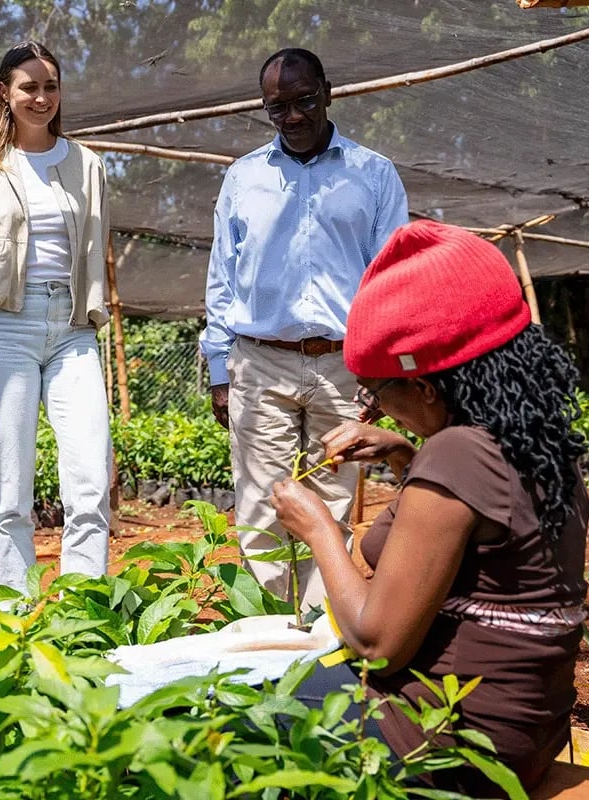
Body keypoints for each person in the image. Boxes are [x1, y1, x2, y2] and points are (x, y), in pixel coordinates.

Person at [270, 219, 589, 793]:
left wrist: (317, 527)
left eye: (375, 394)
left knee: (245, 700)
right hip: (524, 729)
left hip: (446, 745)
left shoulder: (457, 455)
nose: (372, 411)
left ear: (424, 389)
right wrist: (404, 455)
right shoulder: (532, 439)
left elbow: (377, 648)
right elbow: (485, 538)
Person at [200, 47, 409, 608]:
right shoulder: (243, 178)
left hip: (345, 364)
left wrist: (384, 370)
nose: (292, 117)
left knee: (332, 505)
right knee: (262, 506)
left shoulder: (373, 174)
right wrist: (221, 369)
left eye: (303, 101)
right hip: (259, 361)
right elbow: (223, 277)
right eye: (277, 107)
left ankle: (321, 638)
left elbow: (391, 278)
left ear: (328, 92)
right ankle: (268, 641)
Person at [0, 41, 112, 595]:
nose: (41, 97)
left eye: (51, 86)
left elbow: (95, 245)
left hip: (74, 328)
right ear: (5, 93)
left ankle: (83, 608)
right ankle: (14, 605)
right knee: (10, 482)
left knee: (89, 474)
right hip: (7, 326)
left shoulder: (87, 164)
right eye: (29, 87)